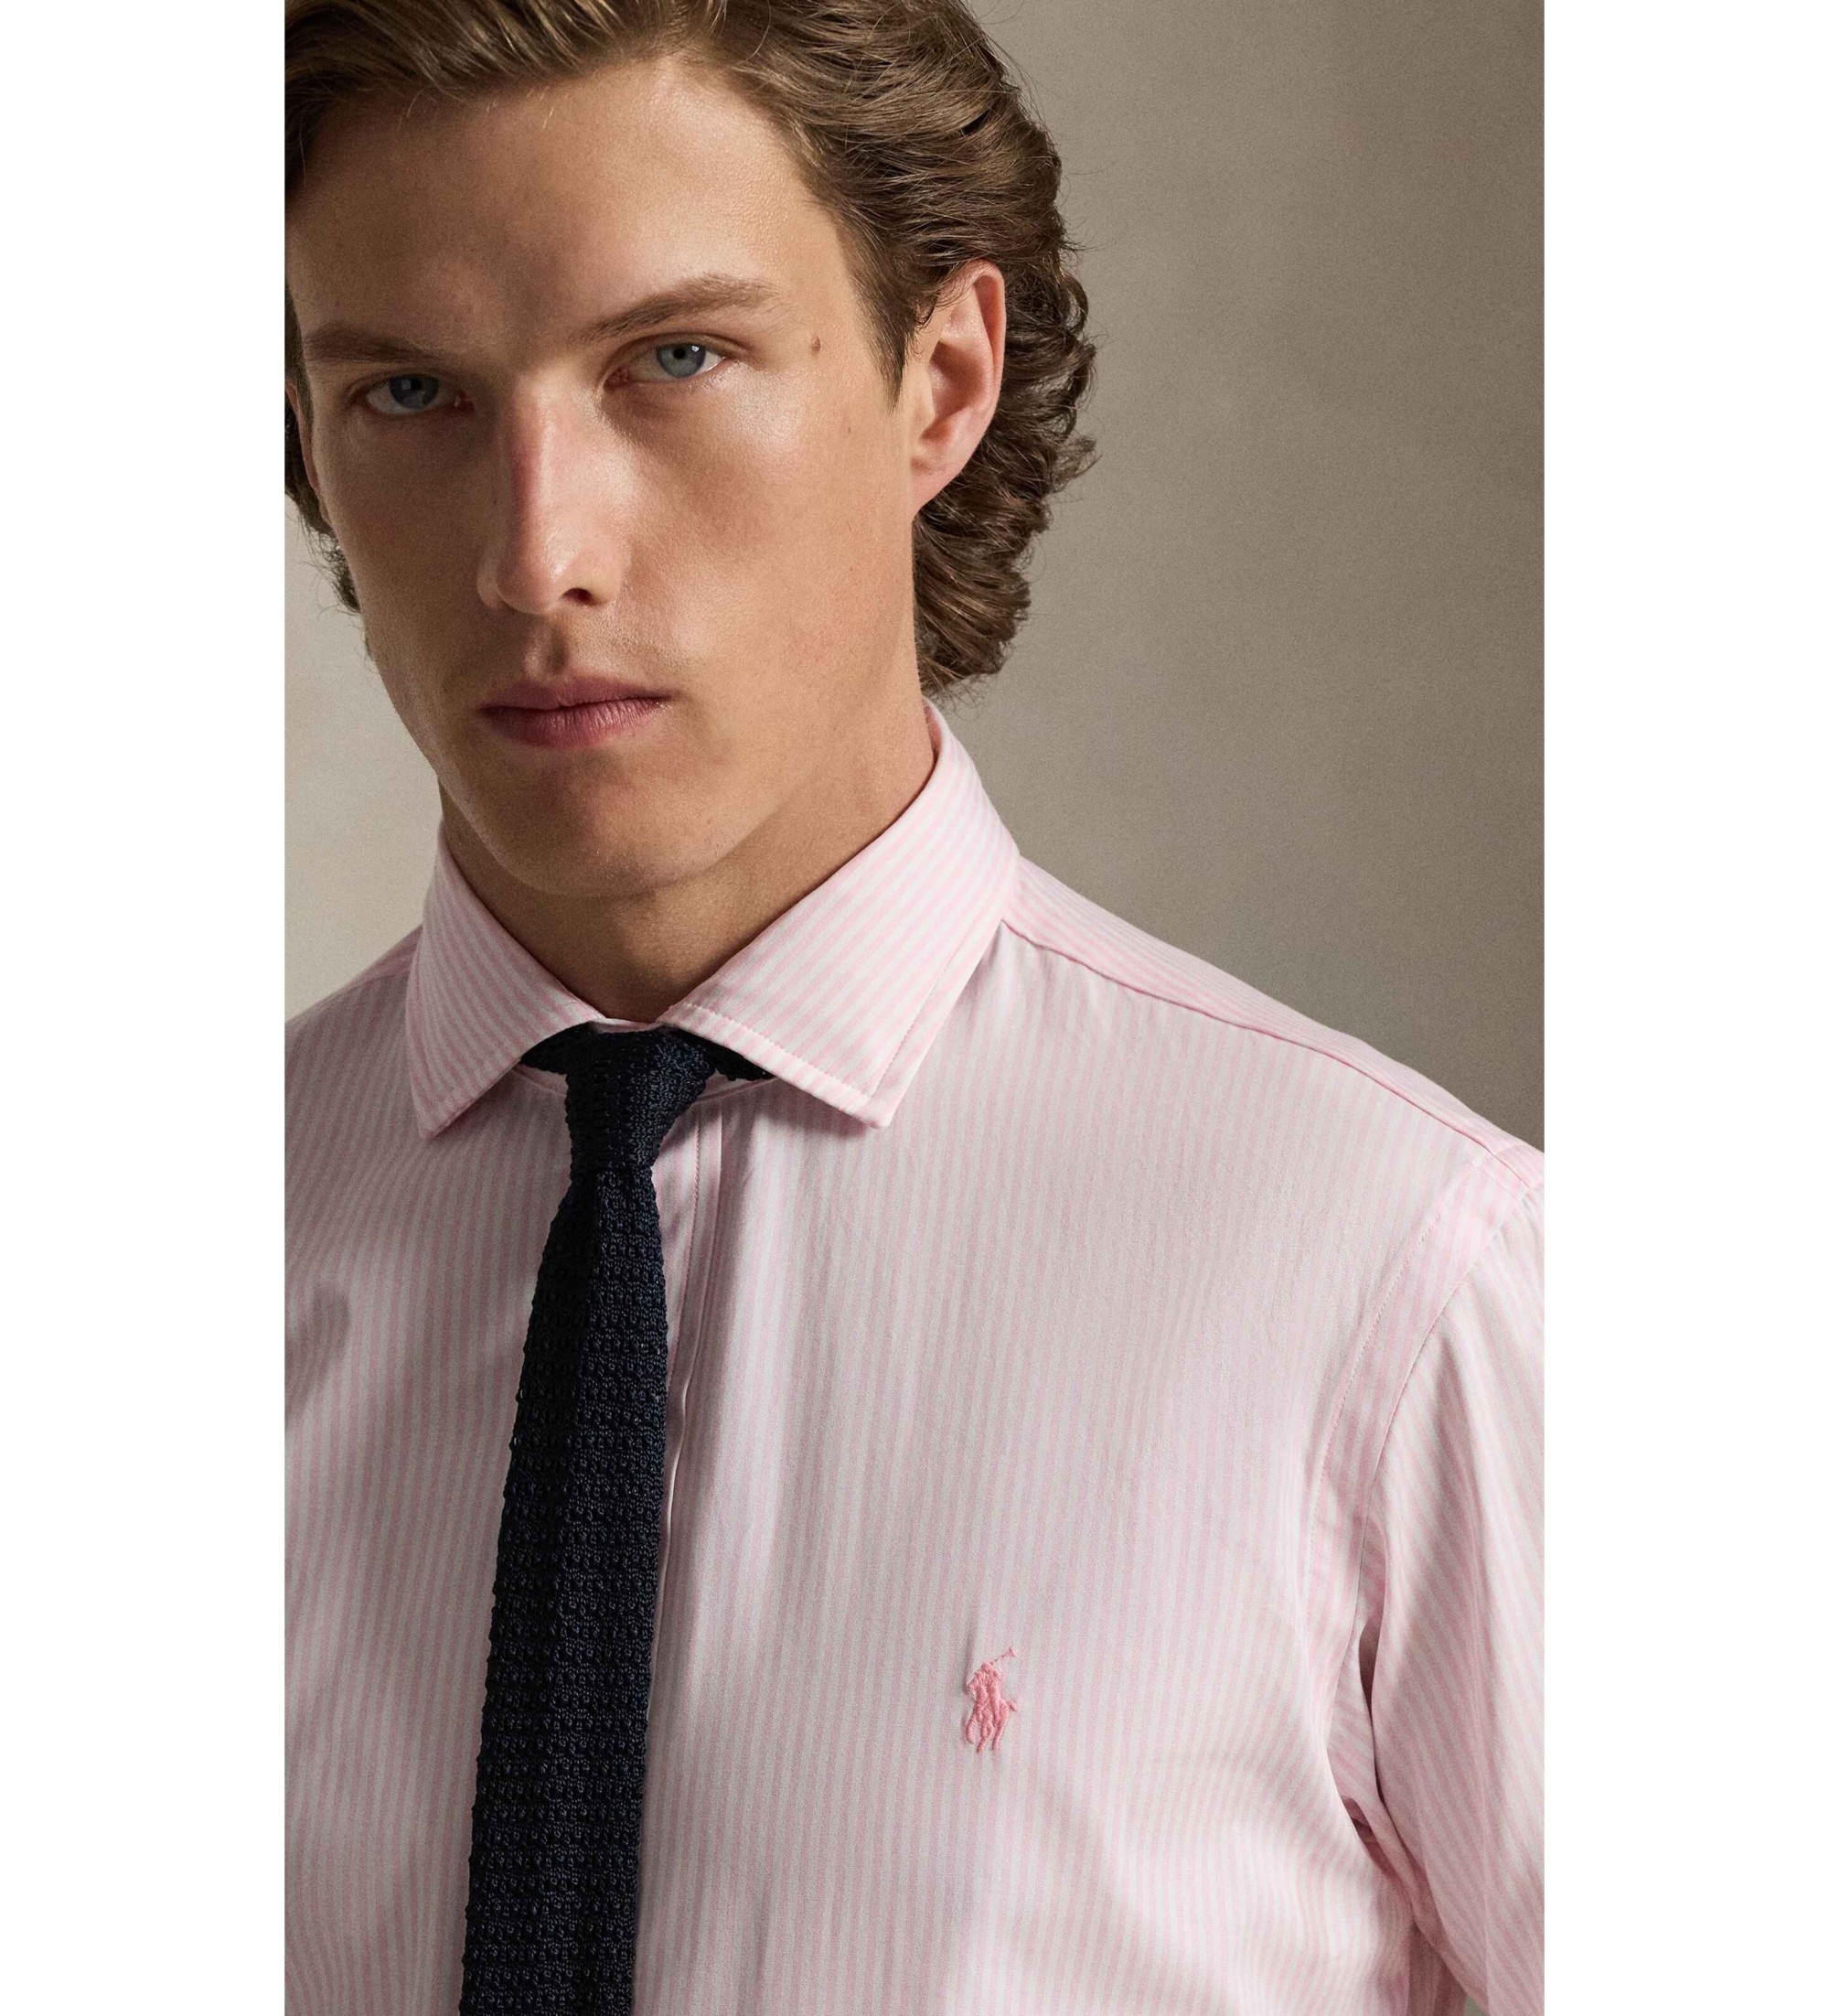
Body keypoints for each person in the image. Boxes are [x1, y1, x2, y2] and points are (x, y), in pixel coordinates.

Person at [283, 2, 1543, 2012]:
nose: (536, 555)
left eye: (674, 360)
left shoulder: (1398, 1276)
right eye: (410, 392)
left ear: (939, 379)